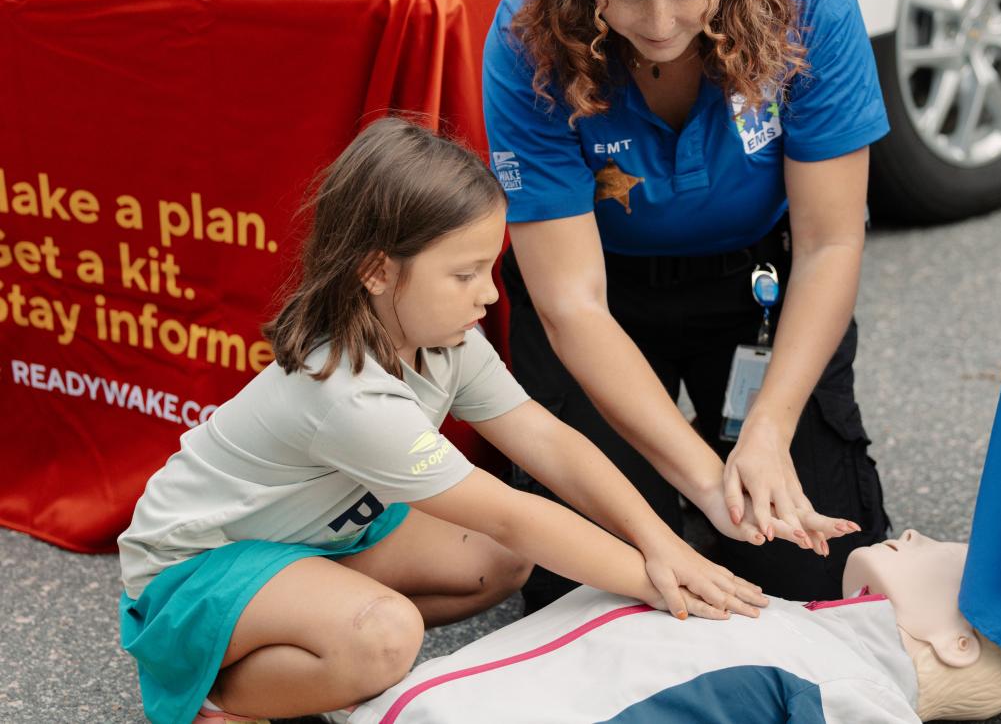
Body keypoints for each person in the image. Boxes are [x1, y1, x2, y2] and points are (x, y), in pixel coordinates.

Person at [116, 118, 774, 724]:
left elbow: (543, 436)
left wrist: (662, 543)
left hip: (310, 536)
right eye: (464, 273)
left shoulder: (444, 338)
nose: (489, 293)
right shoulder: (346, 394)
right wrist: (662, 581)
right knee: (385, 637)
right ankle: (219, 695)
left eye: (488, 268)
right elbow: (507, 510)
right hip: (196, 567)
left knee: (506, 562)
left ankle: (310, 617)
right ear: (376, 270)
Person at [483, 0, 893, 610]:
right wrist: (710, 486)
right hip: (601, 298)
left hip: (759, 291)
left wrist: (766, 430)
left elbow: (831, 243)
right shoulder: (527, 38)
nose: (660, 24)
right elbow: (573, 304)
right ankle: (685, 494)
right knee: (591, 585)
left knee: (815, 573)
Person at [349, 530, 1001, 723]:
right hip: (401, 698)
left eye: (949, 550)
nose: (915, 530)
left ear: (958, 644)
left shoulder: (855, 683)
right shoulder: (779, 610)